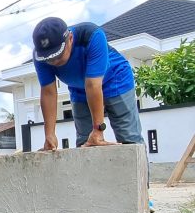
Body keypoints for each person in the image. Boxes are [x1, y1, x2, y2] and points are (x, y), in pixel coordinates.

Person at [32, 17, 144, 150]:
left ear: (70, 39)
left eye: (58, 56)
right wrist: (49, 135)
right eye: (49, 59)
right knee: (85, 143)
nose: (54, 62)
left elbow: (93, 85)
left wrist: (98, 129)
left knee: (129, 140)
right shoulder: (41, 56)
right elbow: (48, 92)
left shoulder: (91, 35)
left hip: (116, 79)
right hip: (79, 88)